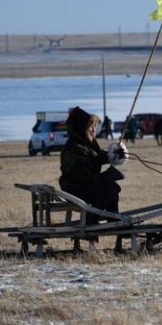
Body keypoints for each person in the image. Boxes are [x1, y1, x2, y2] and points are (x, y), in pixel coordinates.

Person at [59, 107, 126, 252]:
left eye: (94, 127)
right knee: (109, 189)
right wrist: (107, 176)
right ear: (81, 128)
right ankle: (91, 226)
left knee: (112, 188)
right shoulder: (73, 149)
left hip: (86, 187)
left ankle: (113, 219)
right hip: (76, 189)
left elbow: (98, 157)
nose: (93, 130)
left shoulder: (85, 144)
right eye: (90, 127)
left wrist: (114, 153)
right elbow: (85, 176)